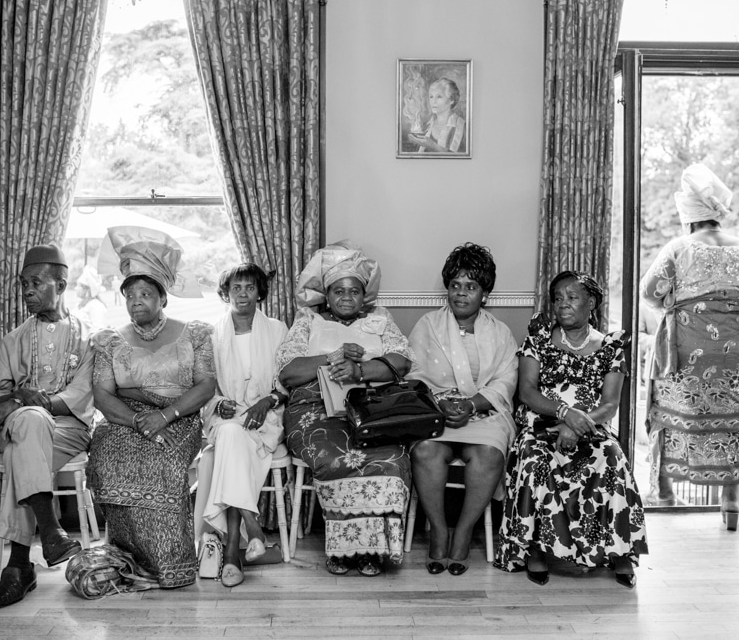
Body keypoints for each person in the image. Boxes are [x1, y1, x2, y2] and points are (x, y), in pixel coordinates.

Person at [642, 164, 739, 528]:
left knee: (672, 415)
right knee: (735, 425)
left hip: (687, 351)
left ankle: (666, 491)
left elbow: (648, 293)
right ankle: (731, 500)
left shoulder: (678, 249)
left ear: (689, 219)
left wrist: (675, 309)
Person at [495, 271, 648, 589]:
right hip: (540, 426)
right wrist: (564, 413)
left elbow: (609, 405)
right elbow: (527, 392)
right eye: (557, 298)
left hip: (590, 428)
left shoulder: (610, 347)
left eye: (572, 297)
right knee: (534, 457)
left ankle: (619, 550)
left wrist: (577, 426)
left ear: (591, 302)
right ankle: (535, 549)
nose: (563, 304)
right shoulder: (537, 342)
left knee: (611, 455)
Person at [87, 226, 216, 589]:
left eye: (145, 293)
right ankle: (127, 558)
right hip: (125, 418)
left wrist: (165, 416)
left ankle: (170, 563)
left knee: (161, 463)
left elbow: (206, 385)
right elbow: (102, 395)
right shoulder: (109, 340)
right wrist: (135, 421)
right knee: (110, 457)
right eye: (130, 295)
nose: (136, 301)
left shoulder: (195, 334)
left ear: (163, 298)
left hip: (180, 415)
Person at [277, 242, 415, 577]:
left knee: (392, 457)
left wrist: (362, 367)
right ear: (327, 294)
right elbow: (288, 372)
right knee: (337, 456)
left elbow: (402, 361)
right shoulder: (308, 321)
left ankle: (373, 550)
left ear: (364, 294)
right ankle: (342, 549)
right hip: (314, 410)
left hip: (370, 410)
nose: (347, 298)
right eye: (339, 291)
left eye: (354, 291)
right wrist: (333, 356)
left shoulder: (380, 320)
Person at [0, 244, 96, 609]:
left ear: (60, 284)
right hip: (21, 426)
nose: (27, 291)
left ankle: (19, 567)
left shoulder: (88, 337)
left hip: (68, 431)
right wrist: (14, 402)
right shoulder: (13, 340)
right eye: (23, 284)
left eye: (36, 283)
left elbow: (81, 396)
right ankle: (52, 531)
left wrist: (19, 398)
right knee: (29, 425)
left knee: (22, 448)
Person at [407, 243, 518, 576]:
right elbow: (414, 375)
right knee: (425, 449)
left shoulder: (500, 333)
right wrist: (440, 403)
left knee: (489, 453)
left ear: (484, 293)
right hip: (436, 412)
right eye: (455, 285)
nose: (461, 293)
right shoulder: (428, 325)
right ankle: (439, 530)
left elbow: (505, 381)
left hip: (483, 413)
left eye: (470, 286)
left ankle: (465, 530)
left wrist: (471, 405)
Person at [193, 263, 289, 587]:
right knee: (231, 431)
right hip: (225, 415)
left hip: (265, 418)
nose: (243, 293)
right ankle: (252, 526)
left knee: (231, 443)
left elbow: (287, 383)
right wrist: (220, 404)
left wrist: (268, 401)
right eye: (236, 288)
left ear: (260, 292)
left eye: (250, 287)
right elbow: (205, 388)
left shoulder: (277, 330)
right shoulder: (212, 335)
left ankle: (233, 549)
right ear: (226, 293)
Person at [407, 77, 466, 153]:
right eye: (431, 97)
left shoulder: (463, 127)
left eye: (439, 97)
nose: (433, 101)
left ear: (451, 100)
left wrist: (432, 145)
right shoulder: (428, 126)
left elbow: (461, 158)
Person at [74, 266, 108, 331]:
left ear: (87, 290)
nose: (75, 288)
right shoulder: (80, 304)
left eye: (78, 286)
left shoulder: (96, 306)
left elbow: (98, 332)